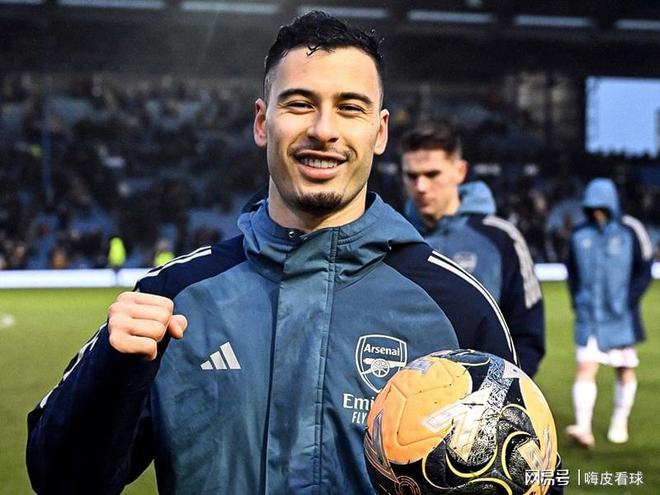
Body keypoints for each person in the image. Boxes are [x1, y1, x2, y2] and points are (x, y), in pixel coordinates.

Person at [27, 13, 520, 494]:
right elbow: (61, 481)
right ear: (262, 122)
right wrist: (111, 373)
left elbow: (525, 471)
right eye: (300, 104)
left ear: (380, 131)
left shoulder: (459, 310)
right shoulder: (174, 298)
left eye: (350, 108)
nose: (323, 129)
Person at [400, 120, 545, 377]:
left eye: (432, 175)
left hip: (481, 393)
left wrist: (503, 389)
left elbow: (527, 331)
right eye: (412, 176)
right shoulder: (392, 238)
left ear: (460, 171)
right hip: (402, 394)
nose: (421, 187)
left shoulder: (501, 239)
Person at [565, 177, 653, 448]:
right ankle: (583, 428)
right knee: (585, 367)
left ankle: (619, 421)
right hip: (589, 316)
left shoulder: (630, 230)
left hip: (621, 318)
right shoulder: (579, 233)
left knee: (624, 369)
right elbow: (572, 272)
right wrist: (578, 300)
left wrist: (628, 301)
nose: (596, 210)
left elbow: (645, 269)